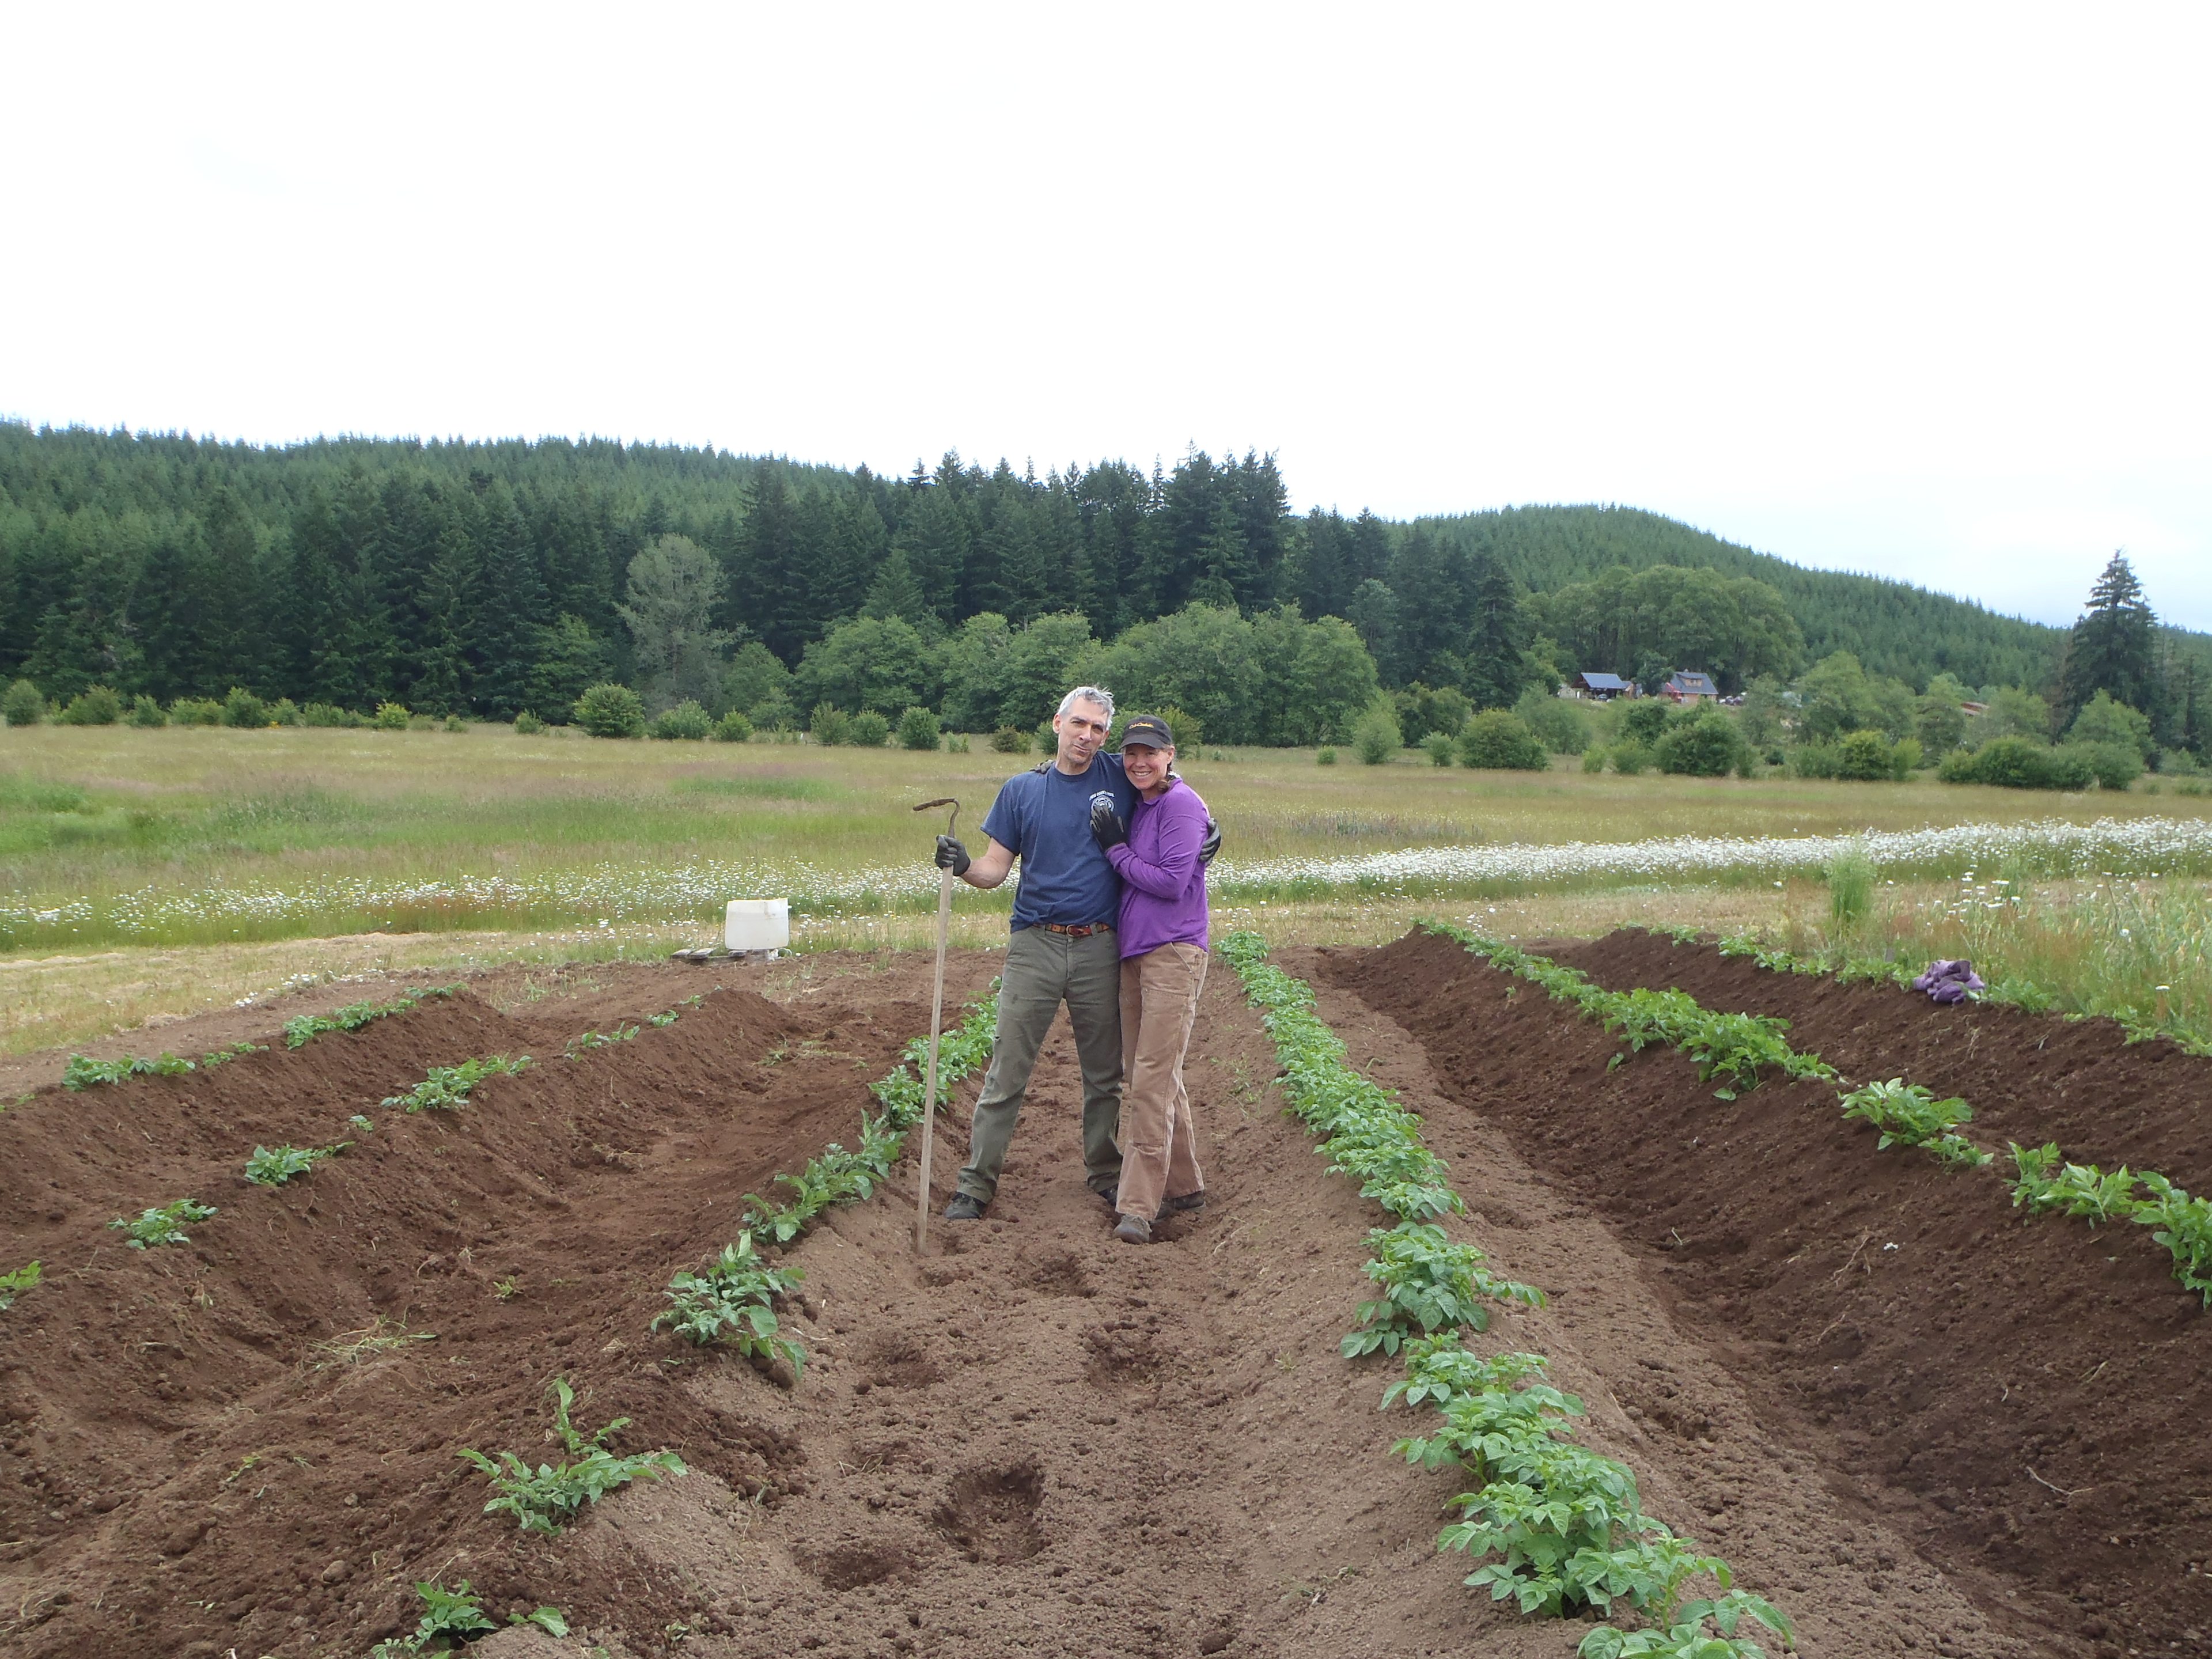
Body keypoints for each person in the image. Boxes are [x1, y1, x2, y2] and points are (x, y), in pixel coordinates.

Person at [934, 687, 1138, 1219]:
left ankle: (1106, 1172)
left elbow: (1167, 783)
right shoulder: (1022, 790)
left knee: (1104, 1075)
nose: (1087, 736)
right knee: (1007, 1071)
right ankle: (976, 1184)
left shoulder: (1119, 777)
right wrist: (962, 864)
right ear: (1057, 723)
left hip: (1100, 944)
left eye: (1098, 728)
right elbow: (994, 870)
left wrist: (1204, 827)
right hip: (1035, 944)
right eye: (1079, 724)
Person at [1089, 715, 1210, 1244]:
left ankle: (1138, 1207)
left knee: (1150, 1081)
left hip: (1172, 953)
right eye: (1131, 753)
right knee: (1155, 1074)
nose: (1139, 762)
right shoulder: (1142, 803)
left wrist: (1115, 850)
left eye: (1150, 753)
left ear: (1170, 754)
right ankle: (1185, 1187)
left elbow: (1171, 881)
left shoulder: (1180, 804)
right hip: (1136, 953)